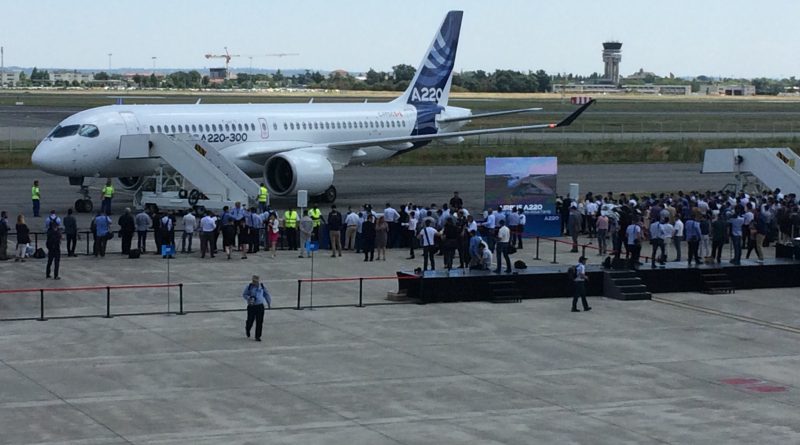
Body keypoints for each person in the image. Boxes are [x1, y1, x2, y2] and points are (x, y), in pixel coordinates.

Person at [242, 275, 271, 342]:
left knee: (259, 321)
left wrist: (269, 302)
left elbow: (266, 294)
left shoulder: (262, 287)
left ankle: (257, 336)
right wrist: (249, 298)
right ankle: (248, 328)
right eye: (253, 281)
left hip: (260, 306)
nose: (254, 282)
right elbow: (244, 294)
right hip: (252, 306)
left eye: (255, 281)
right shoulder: (249, 287)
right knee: (250, 320)